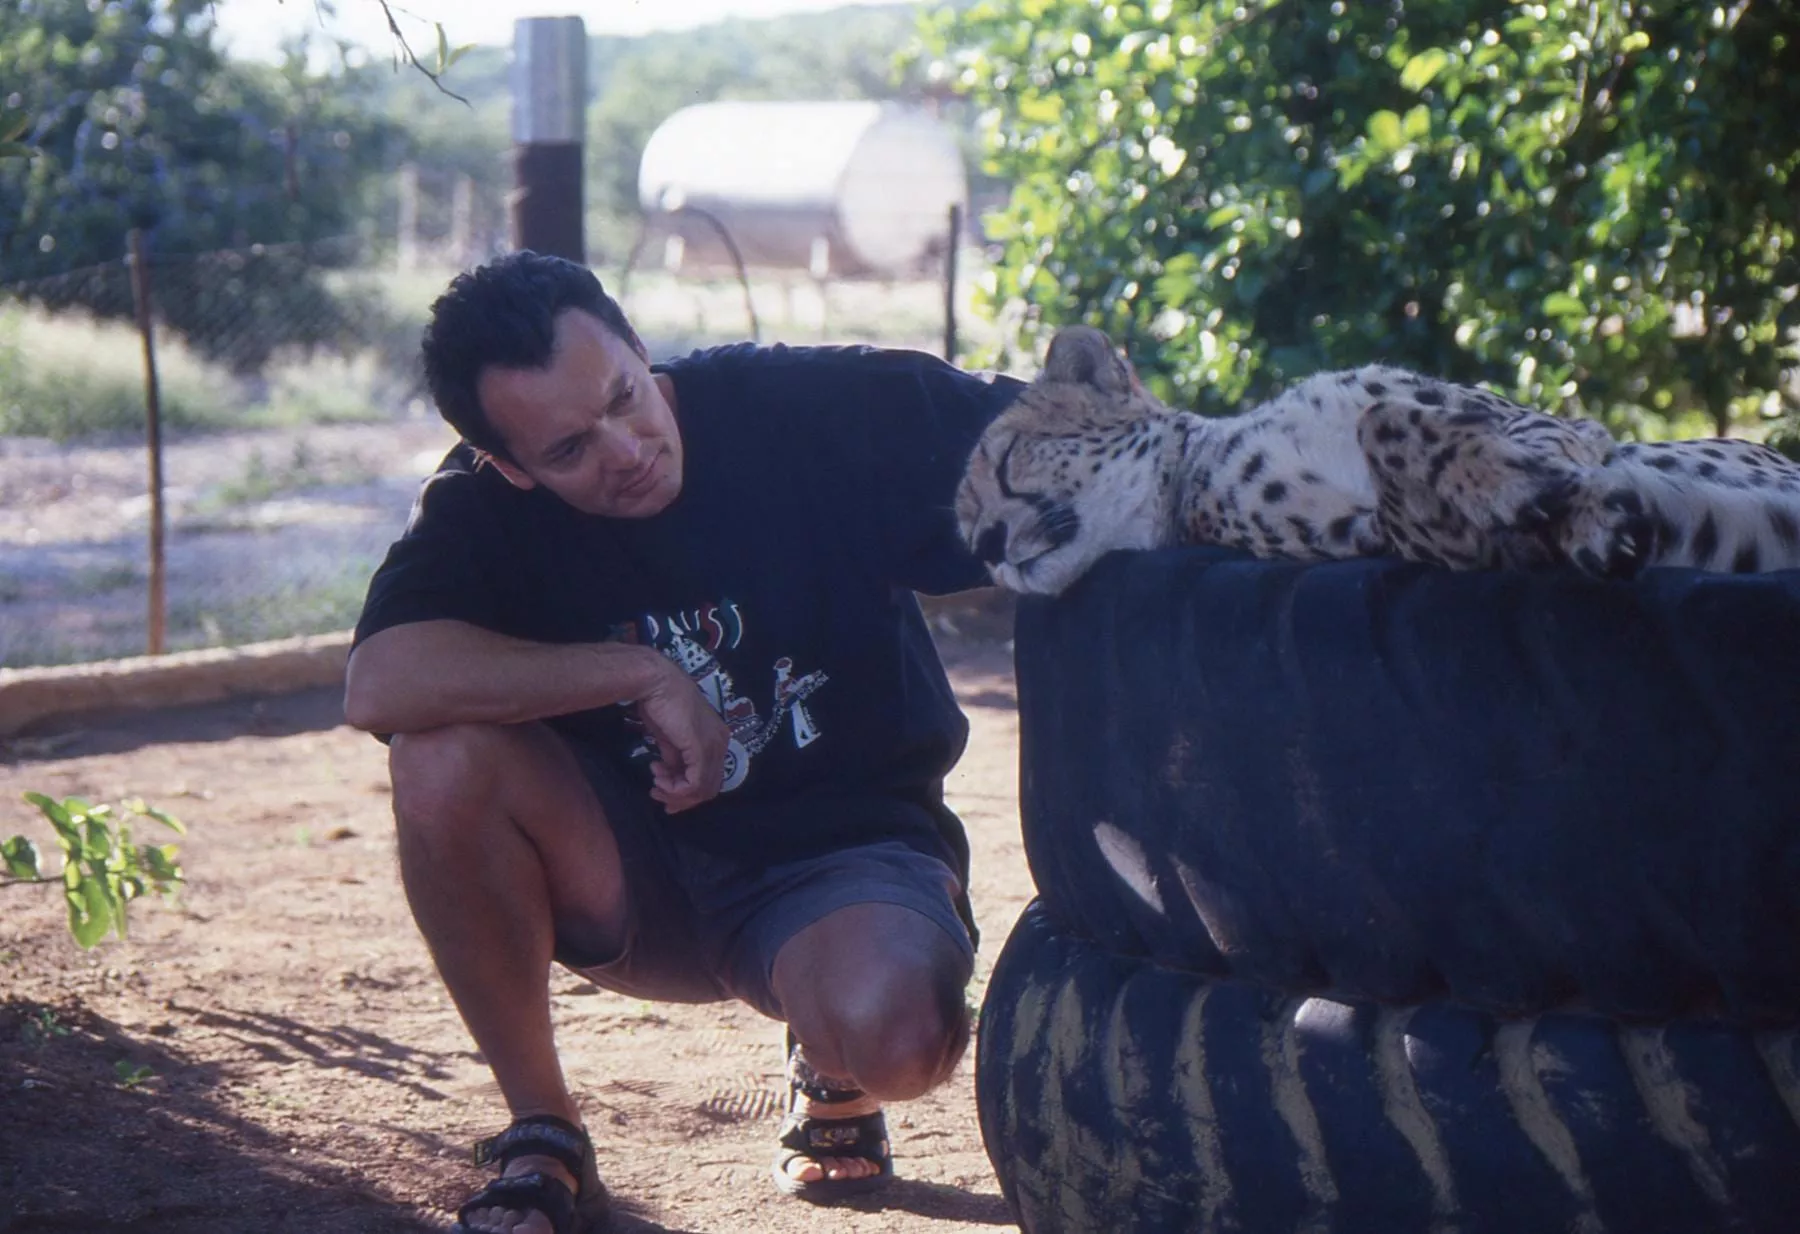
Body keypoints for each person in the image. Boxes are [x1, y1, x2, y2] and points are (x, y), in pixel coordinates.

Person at [343, 250, 1023, 1234]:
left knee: (902, 1039)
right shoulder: (480, 508)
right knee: (439, 755)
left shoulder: (802, 408)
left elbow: (1065, 442)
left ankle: (832, 1055)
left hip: (845, 852)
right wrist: (636, 673)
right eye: (569, 450)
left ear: (637, 346)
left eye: (624, 398)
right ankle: (545, 1132)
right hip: (633, 875)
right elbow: (379, 681)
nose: (623, 449)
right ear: (508, 466)